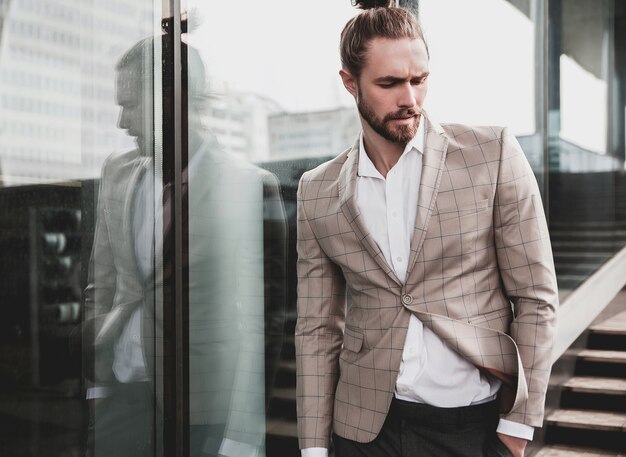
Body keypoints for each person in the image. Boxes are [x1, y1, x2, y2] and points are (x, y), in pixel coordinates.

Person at [295, 2, 558, 457]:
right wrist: (315, 448)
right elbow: (318, 328)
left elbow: (536, 297)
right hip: (363, 429)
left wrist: (517, 428)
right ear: (349, 83)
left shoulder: (491, 154)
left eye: (419, 80)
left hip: (471, 424)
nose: (410, 99)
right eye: (390, 83)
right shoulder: (316, 190)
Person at [83, 28, 287, 457]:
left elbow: (261, 326)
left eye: (131, 106)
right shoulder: (117, 174)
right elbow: (100, 287)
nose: (122, 123)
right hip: (120, 401)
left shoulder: (247, 186)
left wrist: (241, 436)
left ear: (170, 99)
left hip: (202, 410)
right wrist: (97, 387)